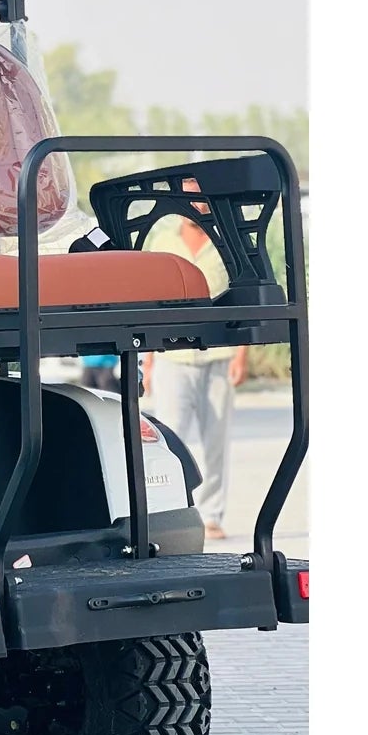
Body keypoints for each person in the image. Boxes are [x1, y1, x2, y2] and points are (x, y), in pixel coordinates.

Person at [142, 181, 249, 541]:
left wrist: (242, 354)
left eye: (198, 198)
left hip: (218, 356)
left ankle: (213, 515)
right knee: (168, 437)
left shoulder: (226, 243)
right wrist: (150, 361)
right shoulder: (162, 244)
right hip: (172, 355)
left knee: (216, 438)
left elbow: (243, 303)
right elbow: (153, 306)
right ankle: (167, 511)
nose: (194, 205)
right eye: (186, 198)